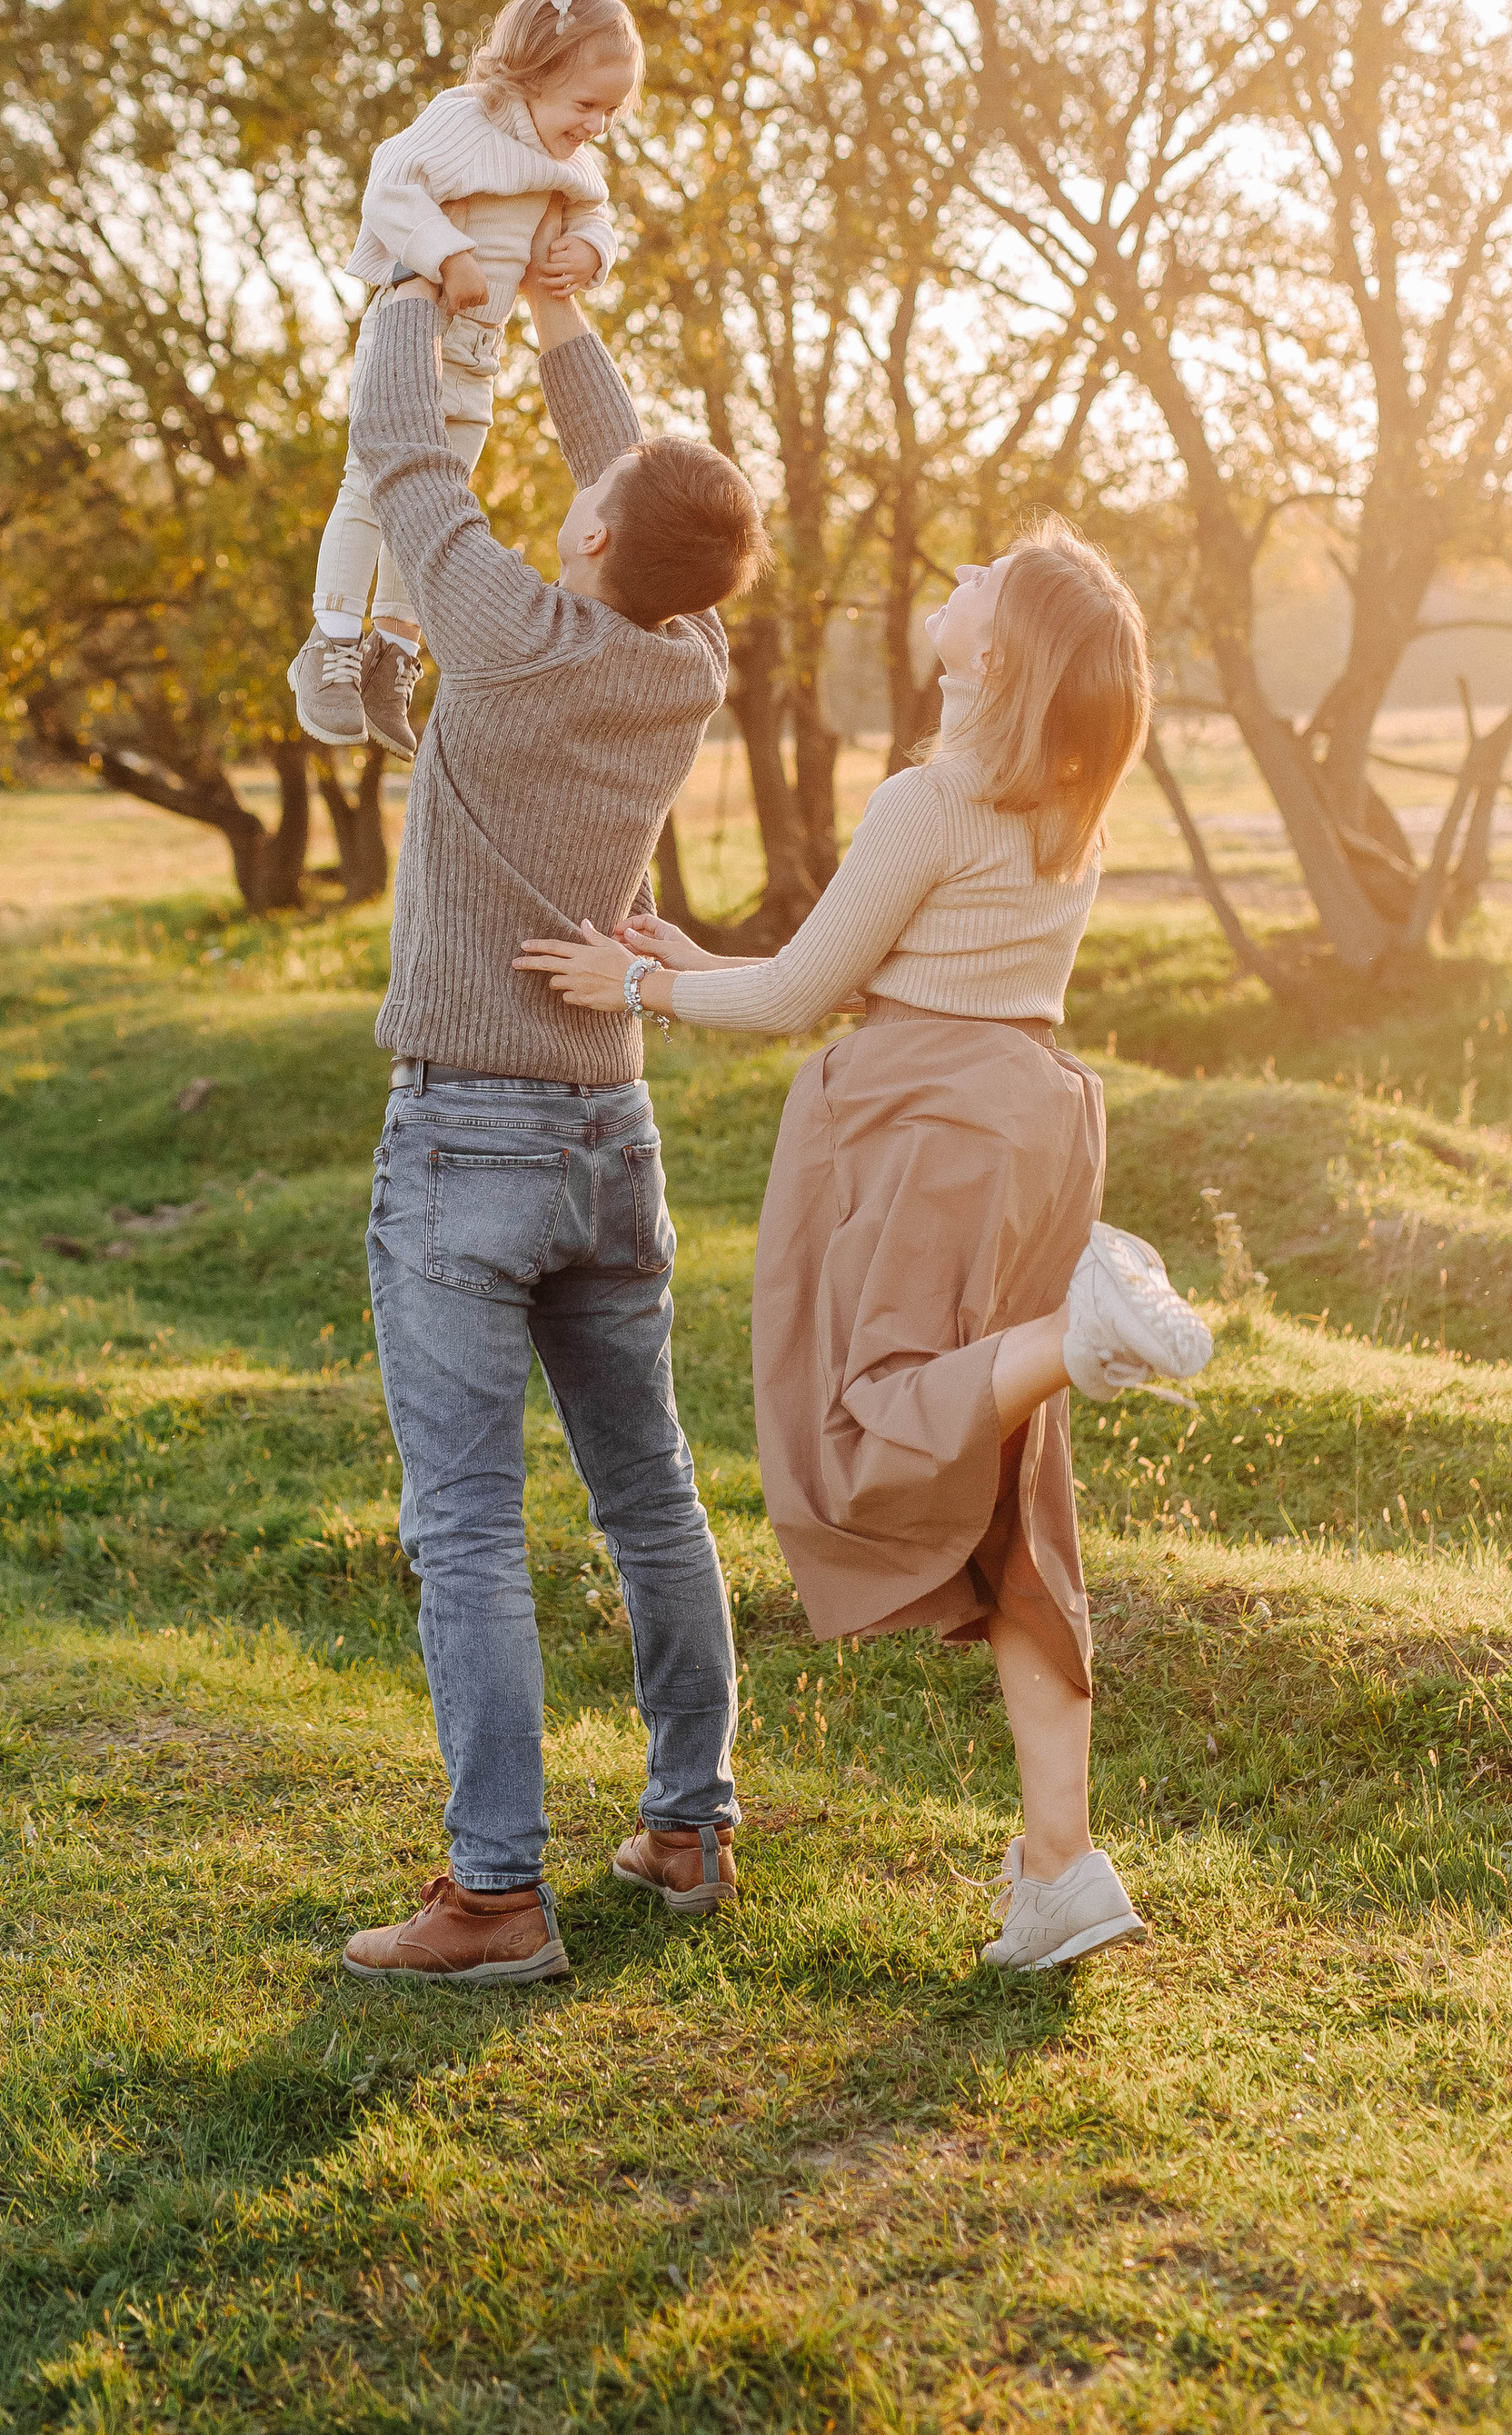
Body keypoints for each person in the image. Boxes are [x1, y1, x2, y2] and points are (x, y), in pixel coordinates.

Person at [517, 528, 1212, 1974]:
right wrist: (700, 963)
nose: (949, 582)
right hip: (1032, 1114)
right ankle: (1063, 1870)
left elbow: (800, 1006)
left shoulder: (931, 799)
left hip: (929, 1128)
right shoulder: (1062, 800)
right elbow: (873, 978)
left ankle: (1078, 1336)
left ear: (997, 653)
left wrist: (638, 982)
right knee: (1021, 1513)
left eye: (977, 578)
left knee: (857, 1426)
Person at [337, 222, 768, 1990]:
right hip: (608, 1132)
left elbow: (400, 454)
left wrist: (407, 296)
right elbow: (643, 496)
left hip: (465, 1141)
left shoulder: (505, 634)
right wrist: (558, 317)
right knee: (646, 1494)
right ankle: (684, 1824)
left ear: (592, 541)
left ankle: (496, 1898)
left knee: (464, 1527)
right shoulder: (686, 667)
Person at [291, 0, 636, 761]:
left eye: (611, 112)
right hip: (412, 334)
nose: (596, 126)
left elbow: (594, 214)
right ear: (532, 74)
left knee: (443, 500)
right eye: (585, 104)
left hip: (479, 356)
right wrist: (446, 253)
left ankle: (393, 650)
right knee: (372, 486)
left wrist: (589, 252)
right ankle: (332, 640)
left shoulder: (570, 160)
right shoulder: (470, 118)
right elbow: (391, 182)